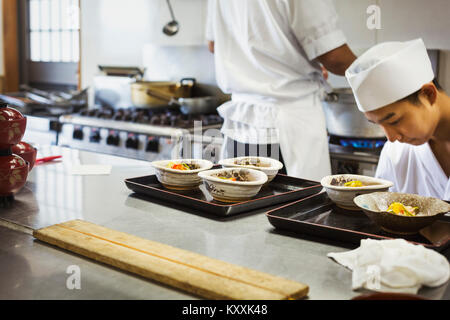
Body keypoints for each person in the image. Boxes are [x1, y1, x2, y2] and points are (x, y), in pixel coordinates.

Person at [206, 0, 356, 180]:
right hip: (288, 129)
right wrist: (374, 76)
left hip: (240, 125)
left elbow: (213, 45)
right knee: (295, 206)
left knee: (243, 203)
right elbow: (334, 56)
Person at [346, 38, 450, 200]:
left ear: (429, 94)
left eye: (394, 121)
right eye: (379, 124)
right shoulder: (395, 154)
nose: (391, 137)